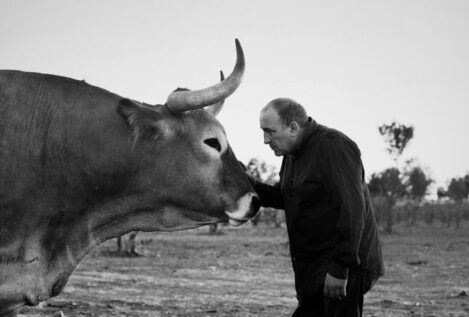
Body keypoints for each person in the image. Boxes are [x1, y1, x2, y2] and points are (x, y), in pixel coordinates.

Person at [250, 98, 384, 316]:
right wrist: (248, 182)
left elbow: (351, 211)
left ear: (293, 127)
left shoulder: (333, 146)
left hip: (343, 265)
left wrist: (339, 269)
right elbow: (287, 197)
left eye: (270, 131)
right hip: (316, 267)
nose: (265, 140)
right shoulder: (293, 154)